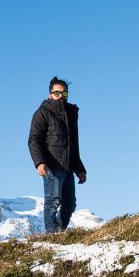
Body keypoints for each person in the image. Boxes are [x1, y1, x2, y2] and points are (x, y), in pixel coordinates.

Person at [27, 76, 87, 233]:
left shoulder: (70, 115)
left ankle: (59, 233)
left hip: (68, 167)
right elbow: (34, 140)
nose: (60, 97)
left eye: (64, 94)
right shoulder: (42, 113)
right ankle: (52, 235)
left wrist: (79, 168)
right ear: (50, 94)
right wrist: (39, 162)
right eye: (57, 93)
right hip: (52, 165)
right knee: (53, 201)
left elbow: (74, 145)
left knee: (70, 204)